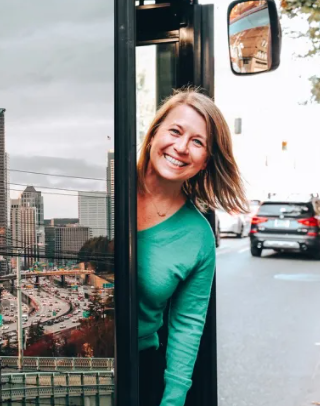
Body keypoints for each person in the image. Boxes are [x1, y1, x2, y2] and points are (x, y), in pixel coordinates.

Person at [137, 88, 247, 406]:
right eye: (175, 131)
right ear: (155, 131)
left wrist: (173, 399)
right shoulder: (111, 189)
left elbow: (187, 324)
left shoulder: (197, 237)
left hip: (138, 369)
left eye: (197, 142)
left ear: (205, 162)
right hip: (78, 354)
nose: (181, 147)